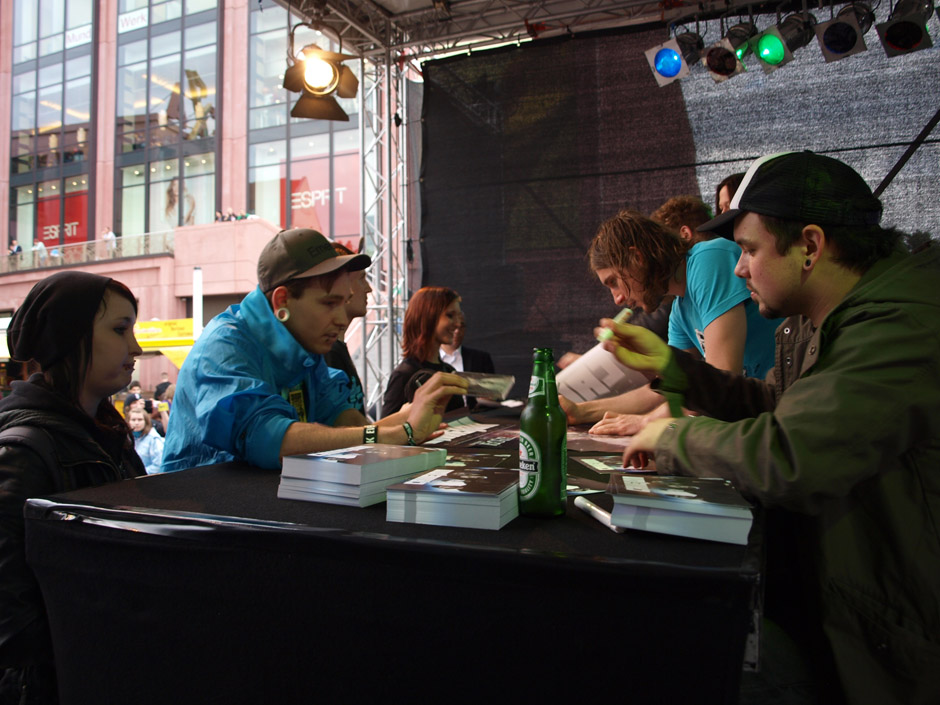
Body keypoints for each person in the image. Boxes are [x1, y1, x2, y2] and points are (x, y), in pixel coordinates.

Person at [604, 151, 940, 705]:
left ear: (809, 245)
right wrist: (672, 366)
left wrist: (672, 437)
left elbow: (791, 453)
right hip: (851, 612)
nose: (739, 269)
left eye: (749, 250)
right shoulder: (821, 322)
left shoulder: (901, 327)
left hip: (893, 648)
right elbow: (773, 403)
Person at [162, 228, 467, 472]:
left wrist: (405, 418)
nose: (341, 317)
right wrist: (398, 432)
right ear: (282, 301)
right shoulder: (225, 344)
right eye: (329, 303)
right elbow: (270, 440)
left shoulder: (305, 350)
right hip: (198, 521)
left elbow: (345, 425)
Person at [0, 271, 146, 703]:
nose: (135, 347)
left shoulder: (106, 433)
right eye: (120, 330)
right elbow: (12, 625)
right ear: (69, 336)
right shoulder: (21, 452)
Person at [561, 209, 780, 436]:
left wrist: (647, 423)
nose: (617, 299)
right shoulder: (679, 310)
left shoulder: (709, 260)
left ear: (637, 257)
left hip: (782, 412)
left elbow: (719, 382)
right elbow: (668, 389)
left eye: (614, 282)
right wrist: (580, 411)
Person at [381, 286, 466, 417]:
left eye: (458, 316)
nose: (457, 323)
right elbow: (385, 430)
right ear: (428, 317)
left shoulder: (448, 370)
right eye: (450, 315)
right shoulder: (404, 375)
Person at [324, 242, 372, 417]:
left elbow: (356, 430)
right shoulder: (326, 353)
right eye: (361, 278)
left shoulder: (336, 349)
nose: (369, 288)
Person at [440, 315, 495, 409]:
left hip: (476, 417)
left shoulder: (481, 358)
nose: (457, 331)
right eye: (453, 327)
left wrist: (489, 397)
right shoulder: (426, 361)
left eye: (461, 327)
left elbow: (492, 394)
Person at [128, 407, 164, 474]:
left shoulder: (153, 438)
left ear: (146, 421)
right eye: (133, 420)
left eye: (140, 420)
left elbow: (158, 466)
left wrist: (139, 474)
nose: (136, 423)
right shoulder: (128, 438)